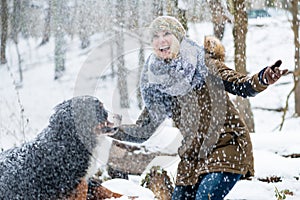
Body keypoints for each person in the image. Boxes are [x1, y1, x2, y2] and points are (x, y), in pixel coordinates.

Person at [111, 16, 288, 200]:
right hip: (192, 159)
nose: (161, 40)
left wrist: (262, 79)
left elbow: (240, 85)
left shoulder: (204, 64)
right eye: (155, 36)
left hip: (226, 147)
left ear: (178, 37)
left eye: (166, 34)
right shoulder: (159, 83)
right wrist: (112, 129)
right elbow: (144, 129)